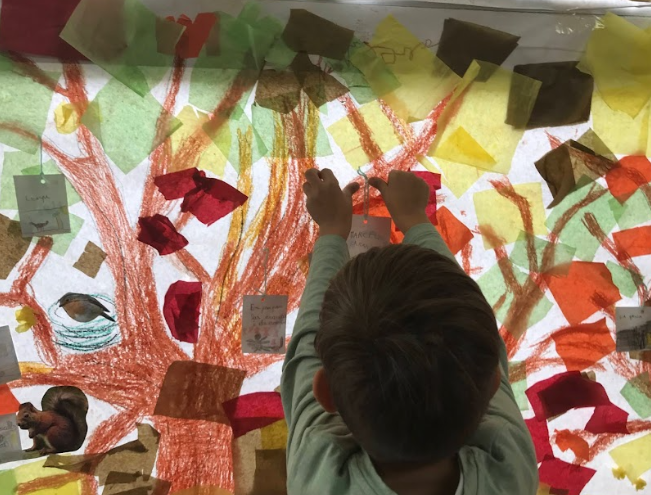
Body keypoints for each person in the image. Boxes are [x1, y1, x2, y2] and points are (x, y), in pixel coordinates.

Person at [281, 169, 538, 495]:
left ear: (327, 392)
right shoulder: (510, 470)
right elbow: (478, 341)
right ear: (492, 384)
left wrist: (332, 230)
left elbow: (306, 345)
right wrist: (416, 219)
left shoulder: (318, 474)